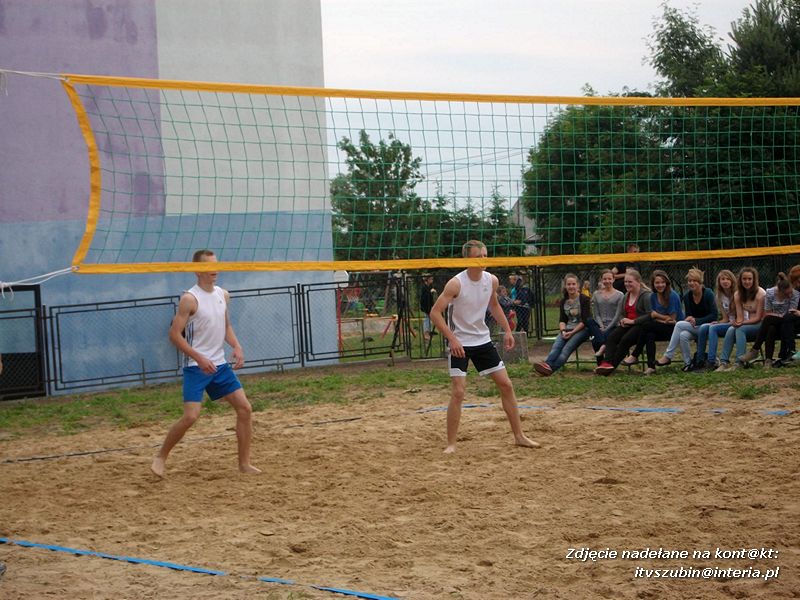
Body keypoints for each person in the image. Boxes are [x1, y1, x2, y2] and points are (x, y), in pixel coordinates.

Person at [151, 249, 260, 477]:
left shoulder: (223, 294)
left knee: (245, 409)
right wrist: (199, 358)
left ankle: (244, 464)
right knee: (191, 416)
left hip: (219, 365)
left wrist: (236, 346)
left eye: (216, 264)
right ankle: (161, 456)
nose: (215, 269)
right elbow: (174, 335)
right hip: (196, 366)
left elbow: (226, 325)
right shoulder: (189, 299)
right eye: (209, 265)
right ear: (197, 270)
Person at [429, 240, 539, 454]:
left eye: (485, 255)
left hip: (482, 340)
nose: (483, 259)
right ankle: (451, 444)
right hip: (460, 343)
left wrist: (508, 330)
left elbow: (494, 306)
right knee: (458, 392)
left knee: (506, 385)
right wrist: (452, 339)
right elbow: (435, 312)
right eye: (478, 256)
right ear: (467, 259)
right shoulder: (456, 284)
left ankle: (519, 436)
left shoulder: (491, 280)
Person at [656, 268, 717, 371]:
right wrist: (688, 318)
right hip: (695, 327)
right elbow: (689, 315)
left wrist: (697, 320)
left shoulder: (708, 293)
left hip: (708, 326)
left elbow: (714, 315)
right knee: (683, 335)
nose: (691, 283)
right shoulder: (687, 296)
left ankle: (668, 355)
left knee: (679, 324)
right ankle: (688, 363)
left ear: (700, 282)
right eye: (689, 281)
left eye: (694, 281)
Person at [624, 269, 682, 374]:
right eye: (657, 283)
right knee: (649, 334)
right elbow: (653, 317)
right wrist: (660, 318)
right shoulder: (653, 296)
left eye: (663, 282)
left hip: (676, 329)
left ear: (667, 283)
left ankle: (635, 354)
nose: (660, 285)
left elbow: (672, 319)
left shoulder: (672, 295)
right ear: (653, 284)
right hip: (659, 326)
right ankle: (651, 367)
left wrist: (657, 316)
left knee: (646, 326)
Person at [595, 270, 652, 375]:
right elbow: (621, 313)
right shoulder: (626, 295)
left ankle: (611, 366)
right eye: (625, 282)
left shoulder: (646, 295)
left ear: (638, 282)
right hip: (627, 324)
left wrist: (633, 321)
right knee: (612, 337)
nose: (627, 284)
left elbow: (650, 315)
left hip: (640, 325)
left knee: (625, 340)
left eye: (630, 282)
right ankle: (606, 363)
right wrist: (622, 320)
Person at [534, 273, 591, 376]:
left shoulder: (584, 299)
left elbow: (585, 321)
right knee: (556, 347)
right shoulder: (563, 301)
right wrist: (563, 331)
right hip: (567, 329)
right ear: (565, 286)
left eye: (573, 284)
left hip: (582, 329)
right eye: (568, 284)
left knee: (566, 350)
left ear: (578, 285)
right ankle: (547, 366)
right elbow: (562, 320)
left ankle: (550, 369)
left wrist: (572, 333)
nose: (571, 286)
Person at [739, 272, 800, 368]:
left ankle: (755, 350)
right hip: (774, 321)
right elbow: (767, 312)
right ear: (779, 292)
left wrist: (778, 316)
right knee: (771, 327)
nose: (789, 296)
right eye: (786, 294)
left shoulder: (795, 294)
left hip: (788, 322)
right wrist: (778, 316)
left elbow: (791, 314)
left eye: (790, 293)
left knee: (768, 319)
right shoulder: (770, 293)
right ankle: (768, 360)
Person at [715, 267, 766, 372]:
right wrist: (737, 322)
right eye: (744, 279)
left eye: (749, 279)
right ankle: (724, 362)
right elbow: (740, 317)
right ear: (740, 280)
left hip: (761, 325)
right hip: (748, 324)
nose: (747, 282)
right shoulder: (738, 294)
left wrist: (741, 323)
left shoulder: (761, 294)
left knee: (740, 328)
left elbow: (758, 318)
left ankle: (739, 363)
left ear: (754, 280)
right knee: (731, 329)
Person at [695, 269, 736, 370]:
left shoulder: (737, 294)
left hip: (738, 322)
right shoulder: (719, 296)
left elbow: (741, 317)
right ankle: (699, 361)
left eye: (728, 279)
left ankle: (711, 361)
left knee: (713, 328)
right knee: (704, 327)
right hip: (729, 322)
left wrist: (722, 324)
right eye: (723, 279)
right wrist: (718, 322)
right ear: (719, 282)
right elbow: (725, 318)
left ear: (732, 281)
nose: (725, 281)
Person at [586, 269, 624, 360]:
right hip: (600, 324)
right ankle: (603, 345)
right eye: (605, 279)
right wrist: (601, 326)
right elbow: (596, 313)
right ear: (601, 280)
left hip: (614, 325)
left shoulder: (620, 295)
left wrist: (606, 328)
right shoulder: (596, 294)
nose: (607, 281)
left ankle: (604, 362)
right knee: (589, 321)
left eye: (609, 279)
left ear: (613, 279)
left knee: (595, 341)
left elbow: (617, 315)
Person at [419, 273, 437, 341]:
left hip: (429, 306)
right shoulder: (424, 287)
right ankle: (426, 334)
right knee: (427, 319)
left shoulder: (429, 287)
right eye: (431, 279)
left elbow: (430, 298)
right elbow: (424, 298)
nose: (432, 280)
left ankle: (429, 333)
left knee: (429, 319)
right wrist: (430, 292)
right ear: (427, 280)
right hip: (426, 307)